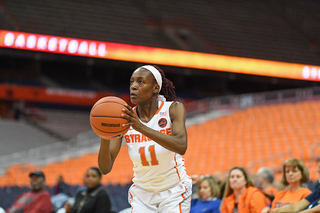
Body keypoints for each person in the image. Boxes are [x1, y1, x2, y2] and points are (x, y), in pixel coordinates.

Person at [98, 65, 192, 212]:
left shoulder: (173, 109)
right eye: (131, 82)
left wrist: (141, 128)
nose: (133, 87)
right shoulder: (124, 118)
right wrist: (104, 136)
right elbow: (105, 168)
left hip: (173, 190)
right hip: (142, 194)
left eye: (140, 82)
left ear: (155, 88)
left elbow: (181, 145)